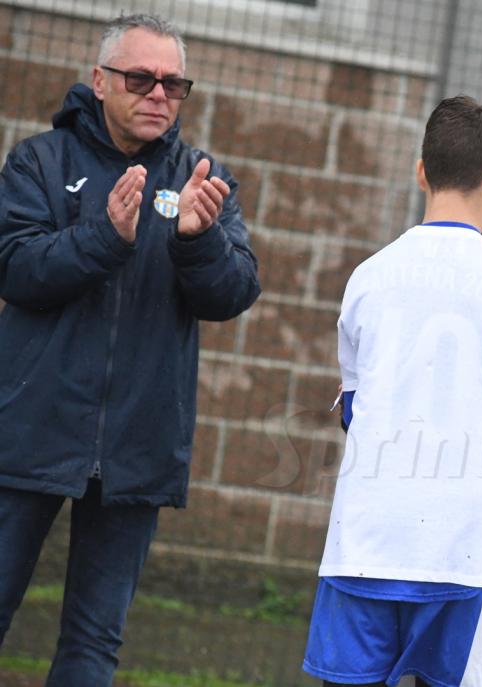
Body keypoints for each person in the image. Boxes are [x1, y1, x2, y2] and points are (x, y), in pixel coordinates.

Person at [0, 12, 260, 686]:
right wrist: (104, 237)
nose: (158, 94)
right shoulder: (39, 162)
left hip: (139, 443)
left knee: (94, 643)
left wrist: (198, 239)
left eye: (174, 84)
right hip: (29, 433)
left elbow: (233, 293)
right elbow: (16, 268)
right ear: (100, 80)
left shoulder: (203, 179)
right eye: (141, 79)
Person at [302, 97, 482, 687]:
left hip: (366, 539)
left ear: (421, 172)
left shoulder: (368, 277)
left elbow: (352, 411)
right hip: (466, 549)